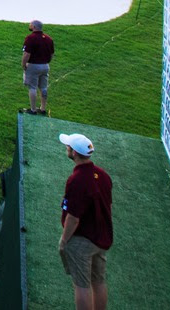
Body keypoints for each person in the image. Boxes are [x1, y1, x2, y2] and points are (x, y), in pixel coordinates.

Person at [59, 133, 113, 310]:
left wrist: (64, 240)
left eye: (68, 147)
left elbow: (73, 218)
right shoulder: (103, 175)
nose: (66, 148)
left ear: (74, 153)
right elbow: (109, 207)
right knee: (98, 282)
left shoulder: (76, 180)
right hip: (100, 238)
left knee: (81, 285)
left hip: (82, 239)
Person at [23, 19, 55, 116]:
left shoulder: (30, 38)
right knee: (43, 87)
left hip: (33, 65)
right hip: (45, 66)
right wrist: (47, 62)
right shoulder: (49, 39)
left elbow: (26, 54)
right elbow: (52, 54)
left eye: (30, 24)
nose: (29, 25)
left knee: (32, 87)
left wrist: (23, 64)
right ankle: (43, 108)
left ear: (34, 27)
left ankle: (33, 110)